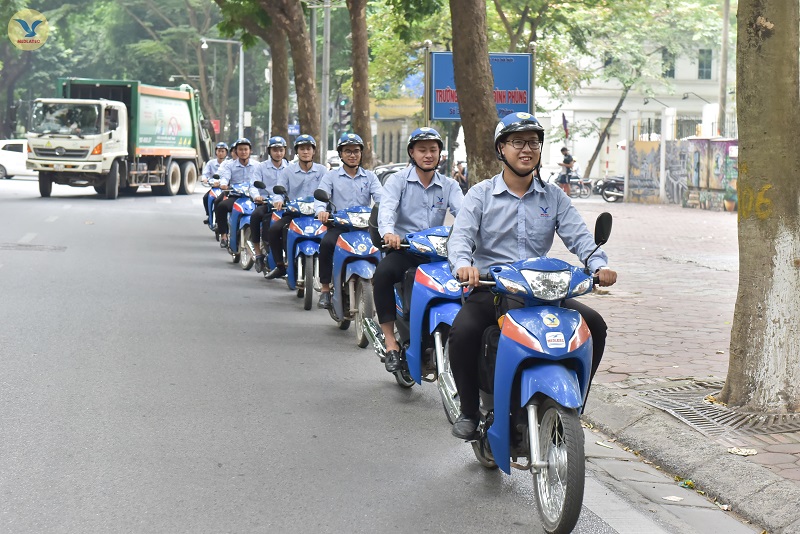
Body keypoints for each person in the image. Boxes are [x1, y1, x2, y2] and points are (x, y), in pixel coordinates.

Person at [446, 112, 618, 440]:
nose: (527, 149)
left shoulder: (553, 197)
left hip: (542, 292)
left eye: (534, 142)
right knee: (464, 331)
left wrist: (598, 266)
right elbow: (461, 238)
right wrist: (463, 265)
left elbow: (581, 238)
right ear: (501, 149)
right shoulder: (480, 194)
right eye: (518, 142)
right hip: (492, 288)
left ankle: (574, 405)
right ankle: (469, 410)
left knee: (594, 325)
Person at [376, 127, 463, 372]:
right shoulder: (398, 180)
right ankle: (391, 342)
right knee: (383, 274)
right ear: (412, 153)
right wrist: (389, 234)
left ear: (440, 154)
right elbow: (387, 209)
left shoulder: (449, 185)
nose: (428, 155)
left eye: (433, 150)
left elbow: (466, 216)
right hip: (405, 250)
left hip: (437, 256)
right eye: (422, 150)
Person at [314, 133, 382, 309]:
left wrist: (387, 212)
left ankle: (382, 290)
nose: (352, 155)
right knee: (326, 244)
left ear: (361, 154)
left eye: (356, 151)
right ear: (341, 154)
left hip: (365, 228)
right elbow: (321, 197)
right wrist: (321, 211)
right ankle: (325, 289)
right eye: (348, 151)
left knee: (384, 251)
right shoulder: (331, 177)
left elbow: (382, 199)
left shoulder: (370, 177)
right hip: (340, 226)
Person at [263, 135, 328, 279]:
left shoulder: (323, 171)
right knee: (274, 229)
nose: (305, 152)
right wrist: (278, 200)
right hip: (294, 213)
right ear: (296, 152)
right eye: (302, 149)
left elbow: (330, 191)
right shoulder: (288, 171)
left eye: (308, 149)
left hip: (318, 214)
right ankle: (280, 265)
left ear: (314, 151)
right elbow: (279, 188)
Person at [250, 136, 288, 272]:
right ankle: (258, 253)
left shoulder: (290, 167)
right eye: (275, 150)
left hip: (286, 206)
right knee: (255, 216)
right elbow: (253, 185)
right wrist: (257, 196)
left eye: (281, 150)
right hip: (267, 203)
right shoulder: (261, 167)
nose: (278, 153)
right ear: (269, 151)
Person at [215, 138, 258, 249]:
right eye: (240, 149)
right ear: (236, 151)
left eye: (245, 149)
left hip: (253, 197)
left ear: (250, 151)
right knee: (221, 207)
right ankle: (224, 235)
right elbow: (225, 177)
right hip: (236, 196)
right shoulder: (230, 165)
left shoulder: (257, 165)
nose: (243, 152)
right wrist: (223, 184)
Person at [202, 142, 229, 225]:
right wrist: (205, 179)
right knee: (205, 197)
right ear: (216, 152)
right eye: (219, 151)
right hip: (214, 187)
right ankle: (209, 215)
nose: (220, 153)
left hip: (225, 188)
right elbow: (205, 174)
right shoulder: (210, 163)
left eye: (222, 151)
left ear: (226, 152)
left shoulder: (229, 164)